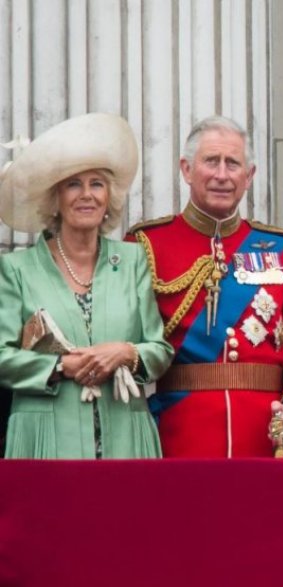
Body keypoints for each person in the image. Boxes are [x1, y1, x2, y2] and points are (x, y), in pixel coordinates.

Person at [126, 116, 283, 458]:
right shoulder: (146, 244)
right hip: (179, 435)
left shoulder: (281, 248)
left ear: (248, 176)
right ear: (187, 169)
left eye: (233, 163)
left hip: (265, 438)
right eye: (211, 161)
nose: (222, 174)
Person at [0, 113, 174, 458]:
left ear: (109, 197)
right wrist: (61, 367)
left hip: (125, 436)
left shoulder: (132, 261)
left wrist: (126, 352)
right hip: (46, 441)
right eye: (73, 184)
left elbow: (159, 351)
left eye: (97, 184)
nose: (86, 195)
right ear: (55, 199)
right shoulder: (16, 269)